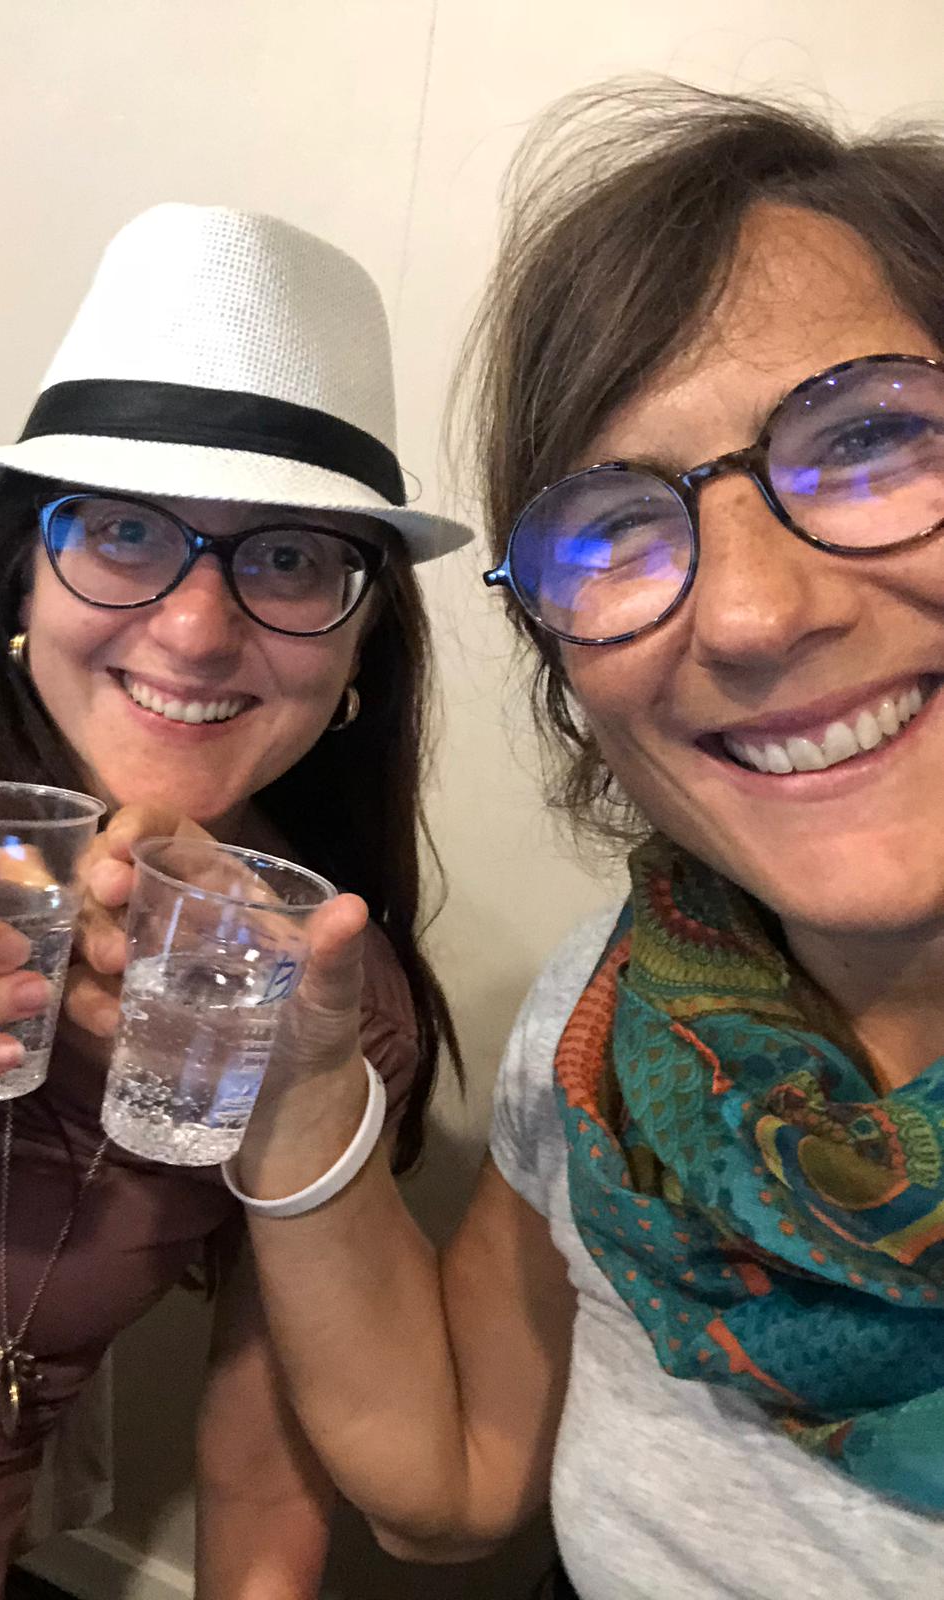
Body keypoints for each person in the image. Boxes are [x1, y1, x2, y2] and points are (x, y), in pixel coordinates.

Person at [176, 85, 944, 1600]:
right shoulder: (623, 1016)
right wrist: (301, 1087)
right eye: (616, 528)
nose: (747, 612)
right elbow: (454, 1484)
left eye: (868, 443)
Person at [0, 201, 471, 1600]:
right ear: (22, 566)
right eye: (125, 531)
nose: (193, 631)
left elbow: (265, 1481)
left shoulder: (327, 989)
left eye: (288, 558)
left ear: (362, 640)